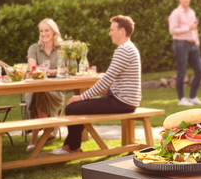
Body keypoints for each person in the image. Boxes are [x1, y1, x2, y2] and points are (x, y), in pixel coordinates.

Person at [52, 15, 141, 154]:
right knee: (76, 107)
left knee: (72, 107)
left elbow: (106, 80)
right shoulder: (129, 48)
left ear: (122, 31)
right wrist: (108, 89)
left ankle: (71, 147)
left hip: (121, 102)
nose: (109, 33)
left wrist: (81, 97)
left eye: (112, 29)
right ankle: (71, 146)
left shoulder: (123, 50)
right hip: (125, 100)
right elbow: (112, 78)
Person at [25, 18, 65, 152]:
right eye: (41, 31)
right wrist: (51, 71)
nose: (43, 34)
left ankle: (34, 140)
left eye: (46, 30)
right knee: (39, 93)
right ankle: (49, 128)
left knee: (39, 95)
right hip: (37, 89)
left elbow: (64, 70)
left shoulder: (61, 49)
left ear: (54, 32)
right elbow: (32, 69)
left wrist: (46, 71)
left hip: (56, 91)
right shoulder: (34, 48)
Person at [168, 0, 201, 106]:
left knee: (200, 71)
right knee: (181, 72)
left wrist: (197, 41)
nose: (187, 0)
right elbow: (172, 30)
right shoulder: (175, 13)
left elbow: (194, 27)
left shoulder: (191, 12)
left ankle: (193, 97)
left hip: (193, 44)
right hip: (181, 44)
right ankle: (181, 99)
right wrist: (188, 29)